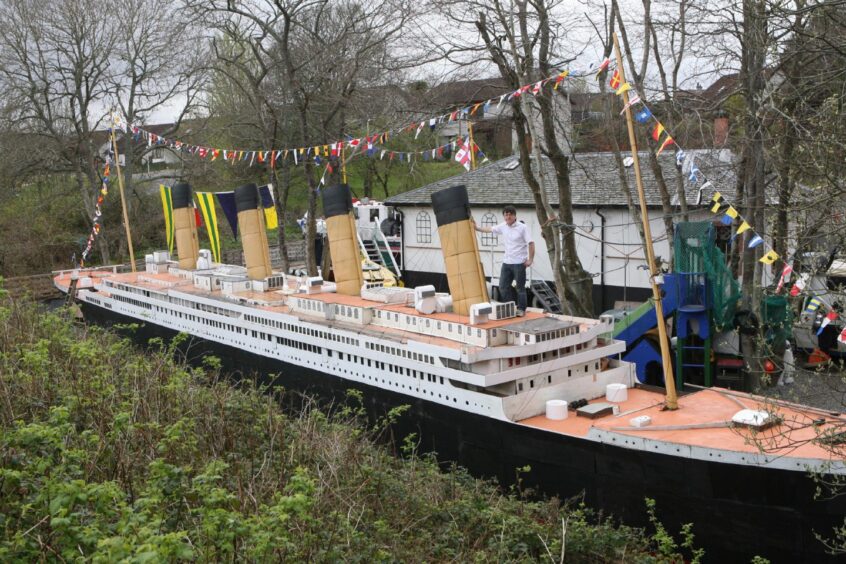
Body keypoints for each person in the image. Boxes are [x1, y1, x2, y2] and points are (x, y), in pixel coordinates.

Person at [473, 205, 534, 316]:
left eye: (510, 214)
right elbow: (490, 229)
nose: (508, 216)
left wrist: (530, 260)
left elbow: (531, 243)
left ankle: (521, 309)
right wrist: (477, 228)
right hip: (506, 263)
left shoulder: (522, 227)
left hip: (519, 263)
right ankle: (510, 307)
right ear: (504, 216)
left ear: (515, 215)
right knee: (503, 287)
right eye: (506, 214)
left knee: (520, 288)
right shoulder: (503, 226)